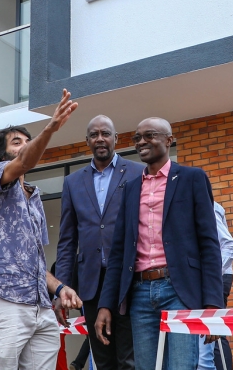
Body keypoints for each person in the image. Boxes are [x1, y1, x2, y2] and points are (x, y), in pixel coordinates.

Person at [95, 118, 224, 370]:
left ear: (169, 140)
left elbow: (209, 243)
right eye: (137, 138)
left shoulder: (192, 178)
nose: (142, 141)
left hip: (179, 291)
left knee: (181, 366)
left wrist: (213, 304)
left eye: (149, 135)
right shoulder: (130, 188)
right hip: (140, 293)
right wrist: (105, 304)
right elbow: (118, 252)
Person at [0, 90, 83, 370]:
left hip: (40, 306)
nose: (25, 145)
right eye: (17, 142)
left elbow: (35, 263)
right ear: (2, 155)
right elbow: (24, 161)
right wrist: (50, 127)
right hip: (4, 299)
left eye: (27, 140)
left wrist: (60, 288)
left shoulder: (34, 196)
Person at [56, 115, 146, 370]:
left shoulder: (138, 172)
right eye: (94, 135)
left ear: (116, 139)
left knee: (130, 357)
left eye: (105, 133)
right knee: (102, 357)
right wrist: (62, 287)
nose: (100, 139)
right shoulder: (73, 182)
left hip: (129, 279)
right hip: (91, 283)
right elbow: (66, 240)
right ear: (87, 141)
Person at [201, 200, 233, 370]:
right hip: (213, 276)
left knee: (213, 333)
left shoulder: (206, 205)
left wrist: (211, 275)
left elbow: (230, 246)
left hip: (217, 277)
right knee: (211, 332)